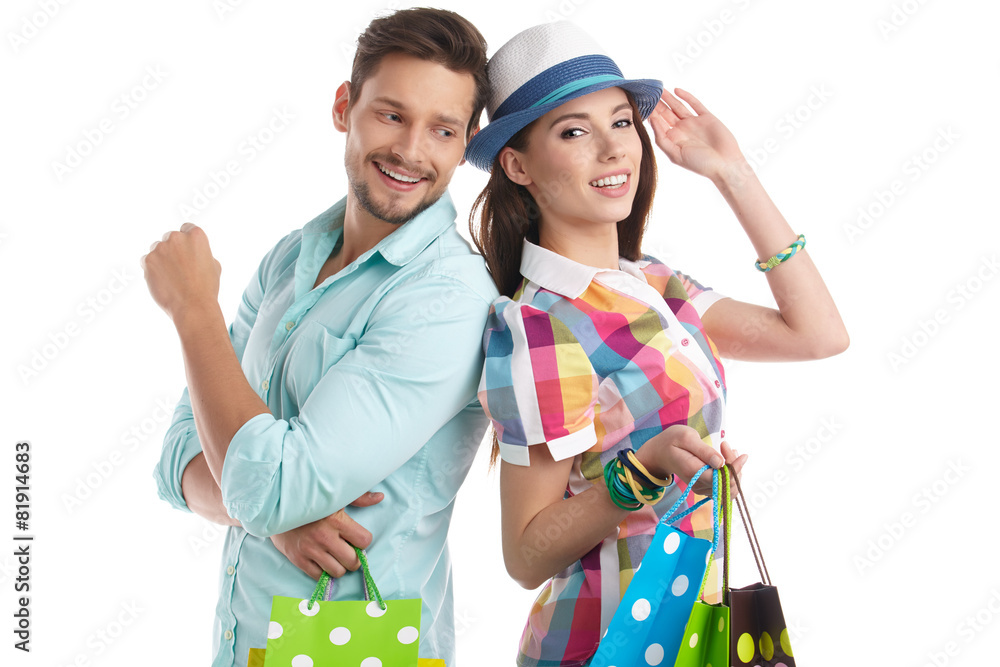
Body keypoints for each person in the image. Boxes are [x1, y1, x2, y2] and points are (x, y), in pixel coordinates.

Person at [467, 21, 849, 666]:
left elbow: (818, 334)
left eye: (620, 122)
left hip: (694, 629)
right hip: (602, 640)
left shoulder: (654, 285)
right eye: (574, 131)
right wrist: (644, 471)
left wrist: (731, 172)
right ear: (518, 164)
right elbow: (525, 556)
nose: (613, 149)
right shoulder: (539, 327)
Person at [141, 8, 496, 666]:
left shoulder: (446, 297)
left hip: (363, 648)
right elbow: (178, 454)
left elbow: (266, 484)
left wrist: (195, 311)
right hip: (246, 641)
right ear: (345, 106)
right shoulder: (292, 258)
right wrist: (274, 515)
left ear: (465, 143)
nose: (412, 150)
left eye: (442, 130)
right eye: (391, 114)